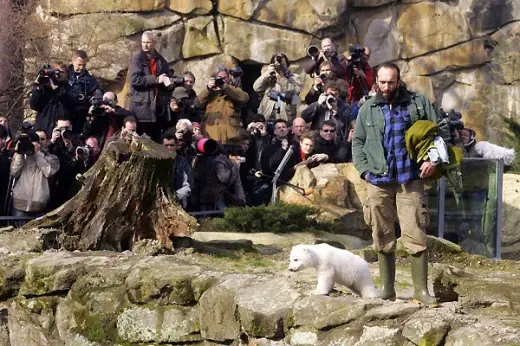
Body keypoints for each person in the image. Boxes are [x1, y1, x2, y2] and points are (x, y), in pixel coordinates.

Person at [352, 62, 449, 306]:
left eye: (391, 82)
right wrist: (364, 171)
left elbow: (441, 130)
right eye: (382, 82)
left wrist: (433, 158)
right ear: (376, 82)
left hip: (410, 178)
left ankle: (421, 291)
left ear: (399, 80)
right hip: (378, 179)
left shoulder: (417, 103)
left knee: (415, 231)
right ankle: (387, 289)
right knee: (381, 232)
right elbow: (358, 142)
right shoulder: (368, 109)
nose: (386, 87)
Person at [129, 31, 175, 141]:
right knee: (143, 144)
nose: (145, 45)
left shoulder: (161, 60)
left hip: (157, 108)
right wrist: (156, 79)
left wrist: (170, 83)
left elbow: (166, 79)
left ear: (154, 43)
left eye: (148, 42)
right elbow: (135, 80)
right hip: (141, 109)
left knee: (157, 142)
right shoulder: (137, 59)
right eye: (143, 42)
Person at [10, 126, 59, 224]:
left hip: (39, 206)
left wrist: (37, 154)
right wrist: (19, 153)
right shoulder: (21, 156)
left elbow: (49, 173)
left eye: (42, 139)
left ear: (47, 141)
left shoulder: (52, 158)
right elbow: (14, 173)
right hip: (20, 204)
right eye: (36, 139)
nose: (39, 142)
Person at [195, 65, 249, 143]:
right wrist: (208, 89)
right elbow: (197, 104)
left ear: (228, 78)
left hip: (230, 140)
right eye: (219, 78)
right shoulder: (209, 93)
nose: (221, 80)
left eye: (224, 78)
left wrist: (225, 87)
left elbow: (244, 98)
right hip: (210, 139)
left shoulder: (233, 90)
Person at [30, 62, 76, 137]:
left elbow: (70, 104)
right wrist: (37, 87)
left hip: (61, 132)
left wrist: (55, 88)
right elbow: (33, 105)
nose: (58, 75)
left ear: (67, 75)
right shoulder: (45, 89)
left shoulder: (70, 90)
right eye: (55, 71)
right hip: (43, 131)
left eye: (61, 72)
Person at [253, 52, 302, 123]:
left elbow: (296, 92)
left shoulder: (294, 77)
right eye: (278, 64)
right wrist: (267, 73)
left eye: (283, 64)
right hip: (266, 116)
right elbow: (256, 88)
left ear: (287, 65)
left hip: (285, 117)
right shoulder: (269, 77)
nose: (280, 66)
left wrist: (281, 78)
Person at [198, 144, 246, 211]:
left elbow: (238, 184)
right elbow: (223, 178)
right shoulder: (219, 163)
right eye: (237, 159)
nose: (238, 161)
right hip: (210, 195)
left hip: (222, 194)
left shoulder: (235, 167)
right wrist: (235, 167)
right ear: (230, 156)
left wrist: (242, 201)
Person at [67, 50, 102, 134]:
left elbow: (98, 92)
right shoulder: (64, 75)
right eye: (79, 65)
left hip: (81, 116)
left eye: (84, 65)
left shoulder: (90, 80)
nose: (82, 68)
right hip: (65, 114)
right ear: (73, 61)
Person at [162, 131, 193, 209]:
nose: (169, 148)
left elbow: (189, 184)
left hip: (179, 204)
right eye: (166, 145)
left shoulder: (183, 163)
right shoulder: (155, 163)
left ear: (176, 146)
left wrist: (175, 196)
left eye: (171, 145)